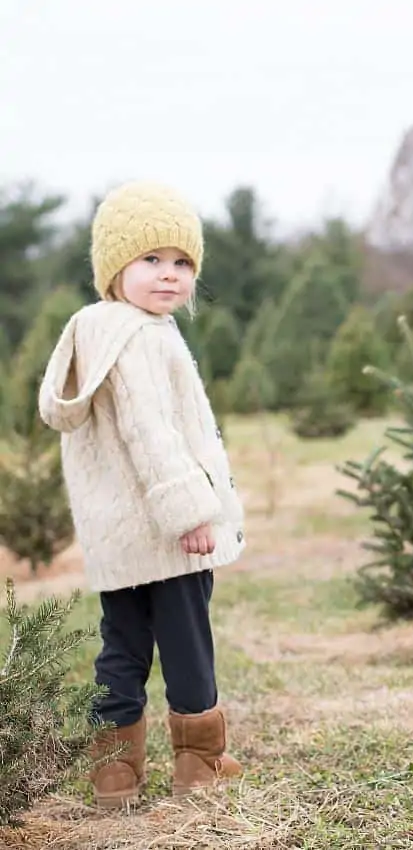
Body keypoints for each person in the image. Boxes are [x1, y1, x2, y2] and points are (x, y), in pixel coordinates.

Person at [38, 181, 245, 808]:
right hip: (169, 527)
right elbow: (151, 432)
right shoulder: (142, 336)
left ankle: (115, 773)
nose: (170, 276)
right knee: (186, 641)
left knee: (121, 645)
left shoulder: (97, 330)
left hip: (118, 532)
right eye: (150, 260)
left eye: (182, 263)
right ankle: (198, 764)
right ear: (113, 268)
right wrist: (191, 513)